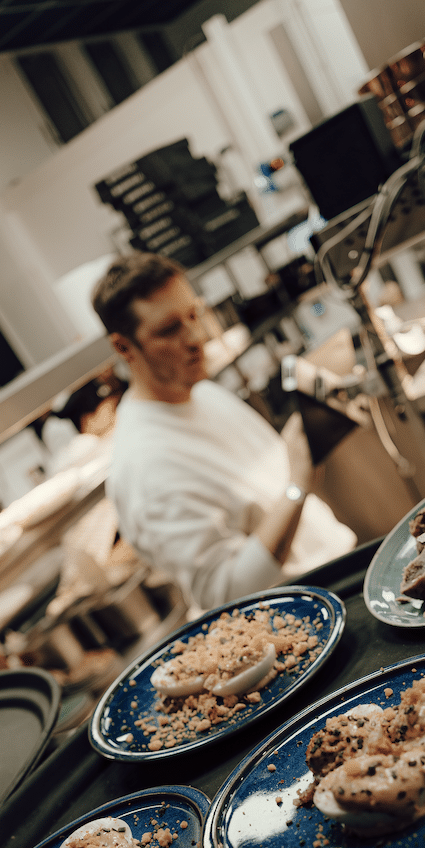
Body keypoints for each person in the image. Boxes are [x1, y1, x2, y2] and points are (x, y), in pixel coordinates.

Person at [91, 253, 354, 613]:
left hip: (339, 575)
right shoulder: (145, 465)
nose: (196, 337)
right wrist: (298, 484)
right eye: (169, 330)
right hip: (303, 620)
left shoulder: (201, 392)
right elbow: (226, 592)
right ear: (123, 347)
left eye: (194, 314)